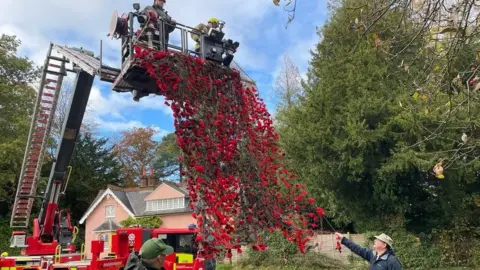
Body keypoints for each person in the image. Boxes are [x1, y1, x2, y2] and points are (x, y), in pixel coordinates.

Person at [335, 232, 402, 270]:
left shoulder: (392, 261)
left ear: (384, 245)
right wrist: (343, 239)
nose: (374, 240)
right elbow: (357, 248)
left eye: (378, 240)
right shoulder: (372, 255)